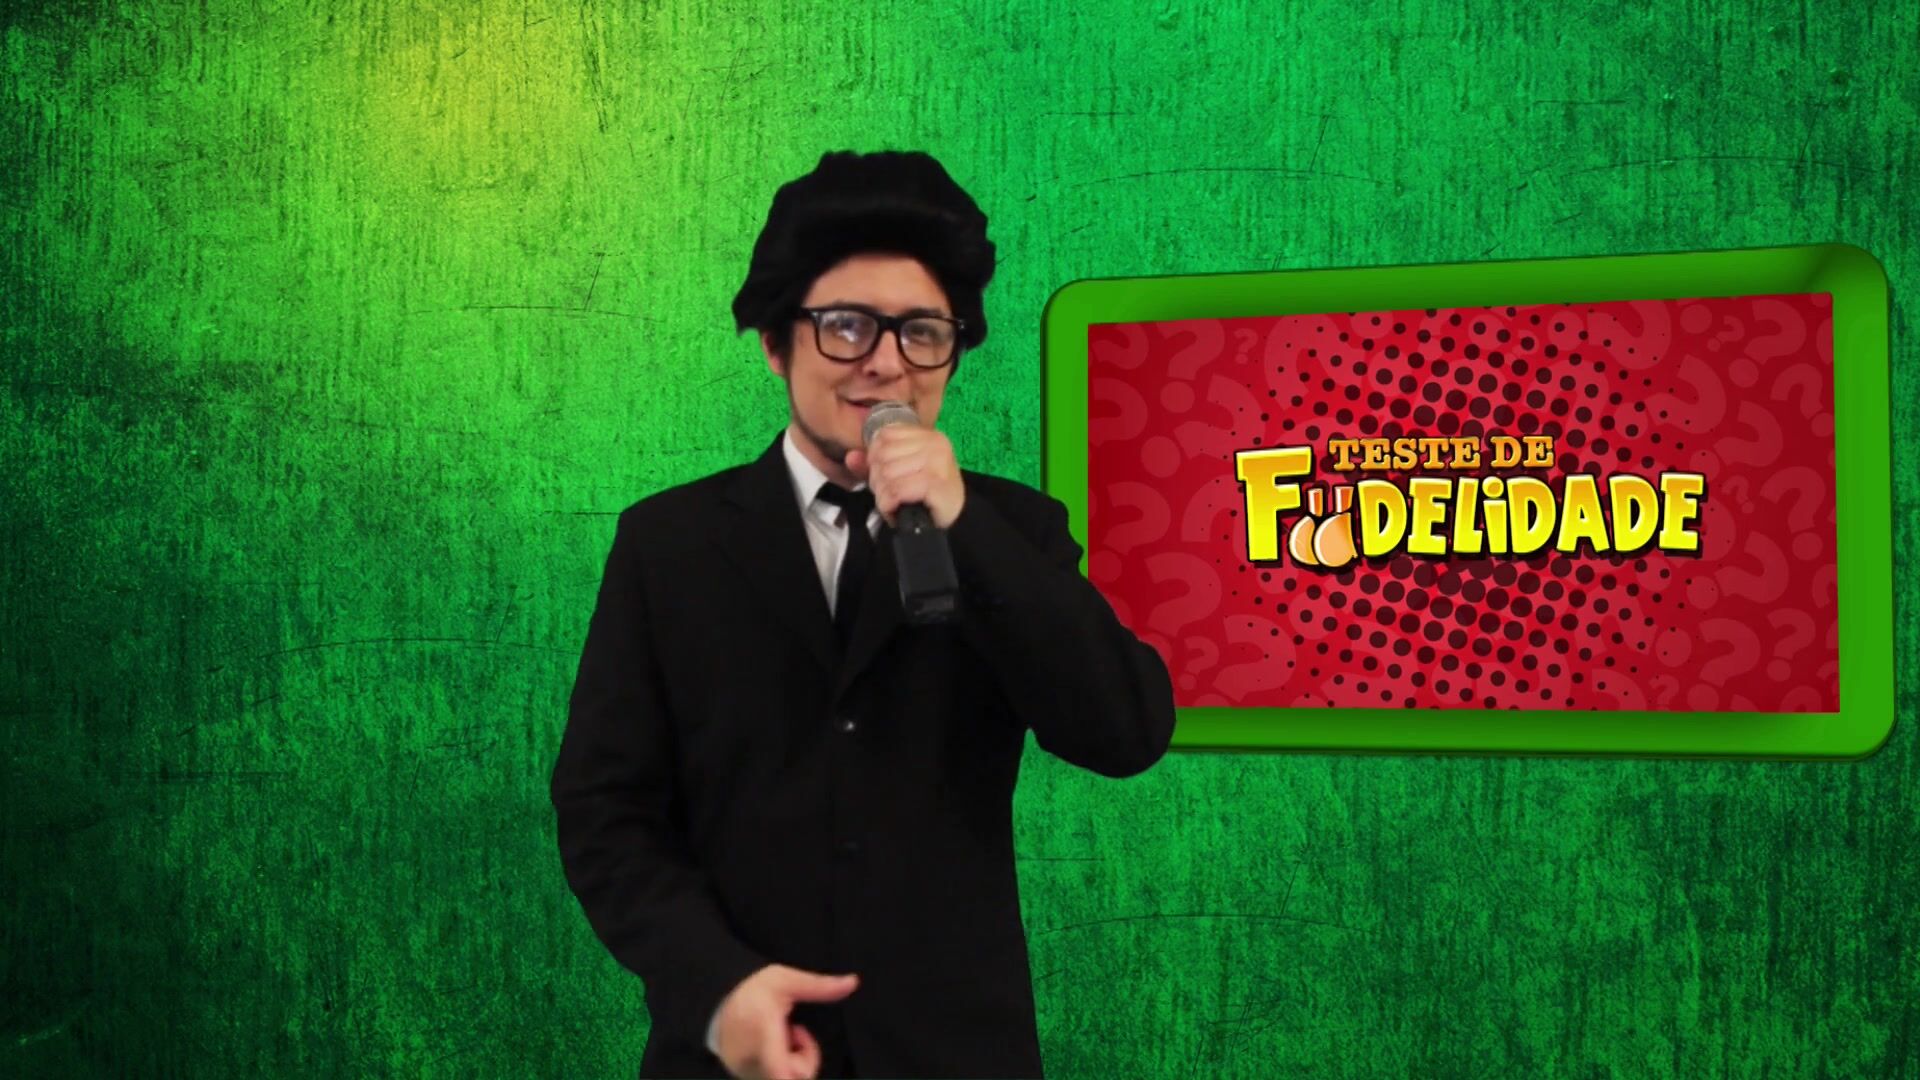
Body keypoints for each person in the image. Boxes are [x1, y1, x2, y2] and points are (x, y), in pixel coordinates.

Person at [550, 149, 1176, 1080]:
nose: (886, 363)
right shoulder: (667, 544)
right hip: (738, 1057)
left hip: (956, 1056)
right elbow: (605, 808)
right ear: (776, 342)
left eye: (922, 331)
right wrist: (716, 985)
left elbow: (1125, 731)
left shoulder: (1014, 532)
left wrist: (967, 528)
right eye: (846, 326)